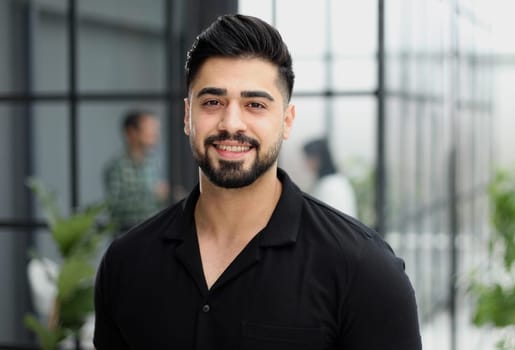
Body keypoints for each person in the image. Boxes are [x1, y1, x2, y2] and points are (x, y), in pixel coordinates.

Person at [94, 14, 422, 349]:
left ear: (287, 121)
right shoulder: (126, 263)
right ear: (187, 116)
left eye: (254, 104)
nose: (231, 123)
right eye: (212, 102)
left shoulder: (364, 269)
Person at [102, 110, 169, 233]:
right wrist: (155, 196)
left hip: (153, 232)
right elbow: (114, 207)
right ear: (132, 132)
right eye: (150, 129)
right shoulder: (117, 167)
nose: (155, 134)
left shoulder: (154, 162)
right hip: (128, 235)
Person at [303, 138, 358, 217]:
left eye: (308, 158)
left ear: (317, 159)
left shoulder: (330, 186)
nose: (306, 163)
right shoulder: (338, 181)